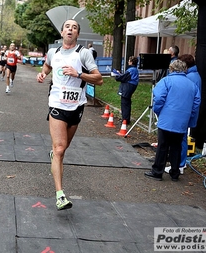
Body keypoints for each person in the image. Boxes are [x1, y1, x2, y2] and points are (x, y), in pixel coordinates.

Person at [36, 19, 103, 210]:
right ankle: (60, 195)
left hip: (76, 107)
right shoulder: (53, 52)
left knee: (62, 150)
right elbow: (47, 66)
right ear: (62, 31)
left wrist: (78, 74)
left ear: (77, 34)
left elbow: (99, 80)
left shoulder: (83, 53)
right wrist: (42, 74)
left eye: (74, 27)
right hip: (56, 104)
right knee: (59, 149)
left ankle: (55, 156)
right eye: (67, 27)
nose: (70, 30)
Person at [144, 60, 200, 181]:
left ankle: (157, 171)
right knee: (177, 146)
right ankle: (175, 172)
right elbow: (196, 105)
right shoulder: (192, 85)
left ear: (171, 69)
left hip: (166, 119)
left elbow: (158, 98)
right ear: (184, 70)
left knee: (162, 146)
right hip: (182, 121)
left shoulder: (166, 81)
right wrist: (189, 119)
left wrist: (158, 111)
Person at [165, 54, 202, 175]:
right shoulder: (194, 75)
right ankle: (178, 163)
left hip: (184, 113)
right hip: (187, 112)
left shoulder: (190, 78)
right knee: (181, 138)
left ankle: (179, 164)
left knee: (181, 139)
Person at [113, 56, 139, 125]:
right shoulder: (134, 70)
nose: (128, 62)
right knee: (126, 102)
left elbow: (124, 77)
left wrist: (117, 76)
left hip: (128, 87)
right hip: (130, 86)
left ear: (131, 62)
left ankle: (125, 120)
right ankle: (125, 118)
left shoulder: (131, 70)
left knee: (125, 103)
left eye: (129, 60)